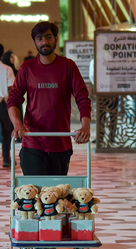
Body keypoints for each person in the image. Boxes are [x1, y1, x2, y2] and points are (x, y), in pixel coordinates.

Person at [7, 21, 91, 176]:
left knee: (56, 195)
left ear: (56, 39)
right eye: (39, 38)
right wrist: (17, 124)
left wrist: (85, 126)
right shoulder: (27, 68)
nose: (44, 42)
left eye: (48, 37)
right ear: (35, 42)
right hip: (32, 140)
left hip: (60, 142)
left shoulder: (68, 66)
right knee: (34, 193)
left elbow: (82, 97)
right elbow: (13, 99)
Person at [0, 44, 15, 167]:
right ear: (2, 55)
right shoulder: (7, 69)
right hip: (4, 104)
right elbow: (11, 88)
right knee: (6, 131)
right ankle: (6, 158)